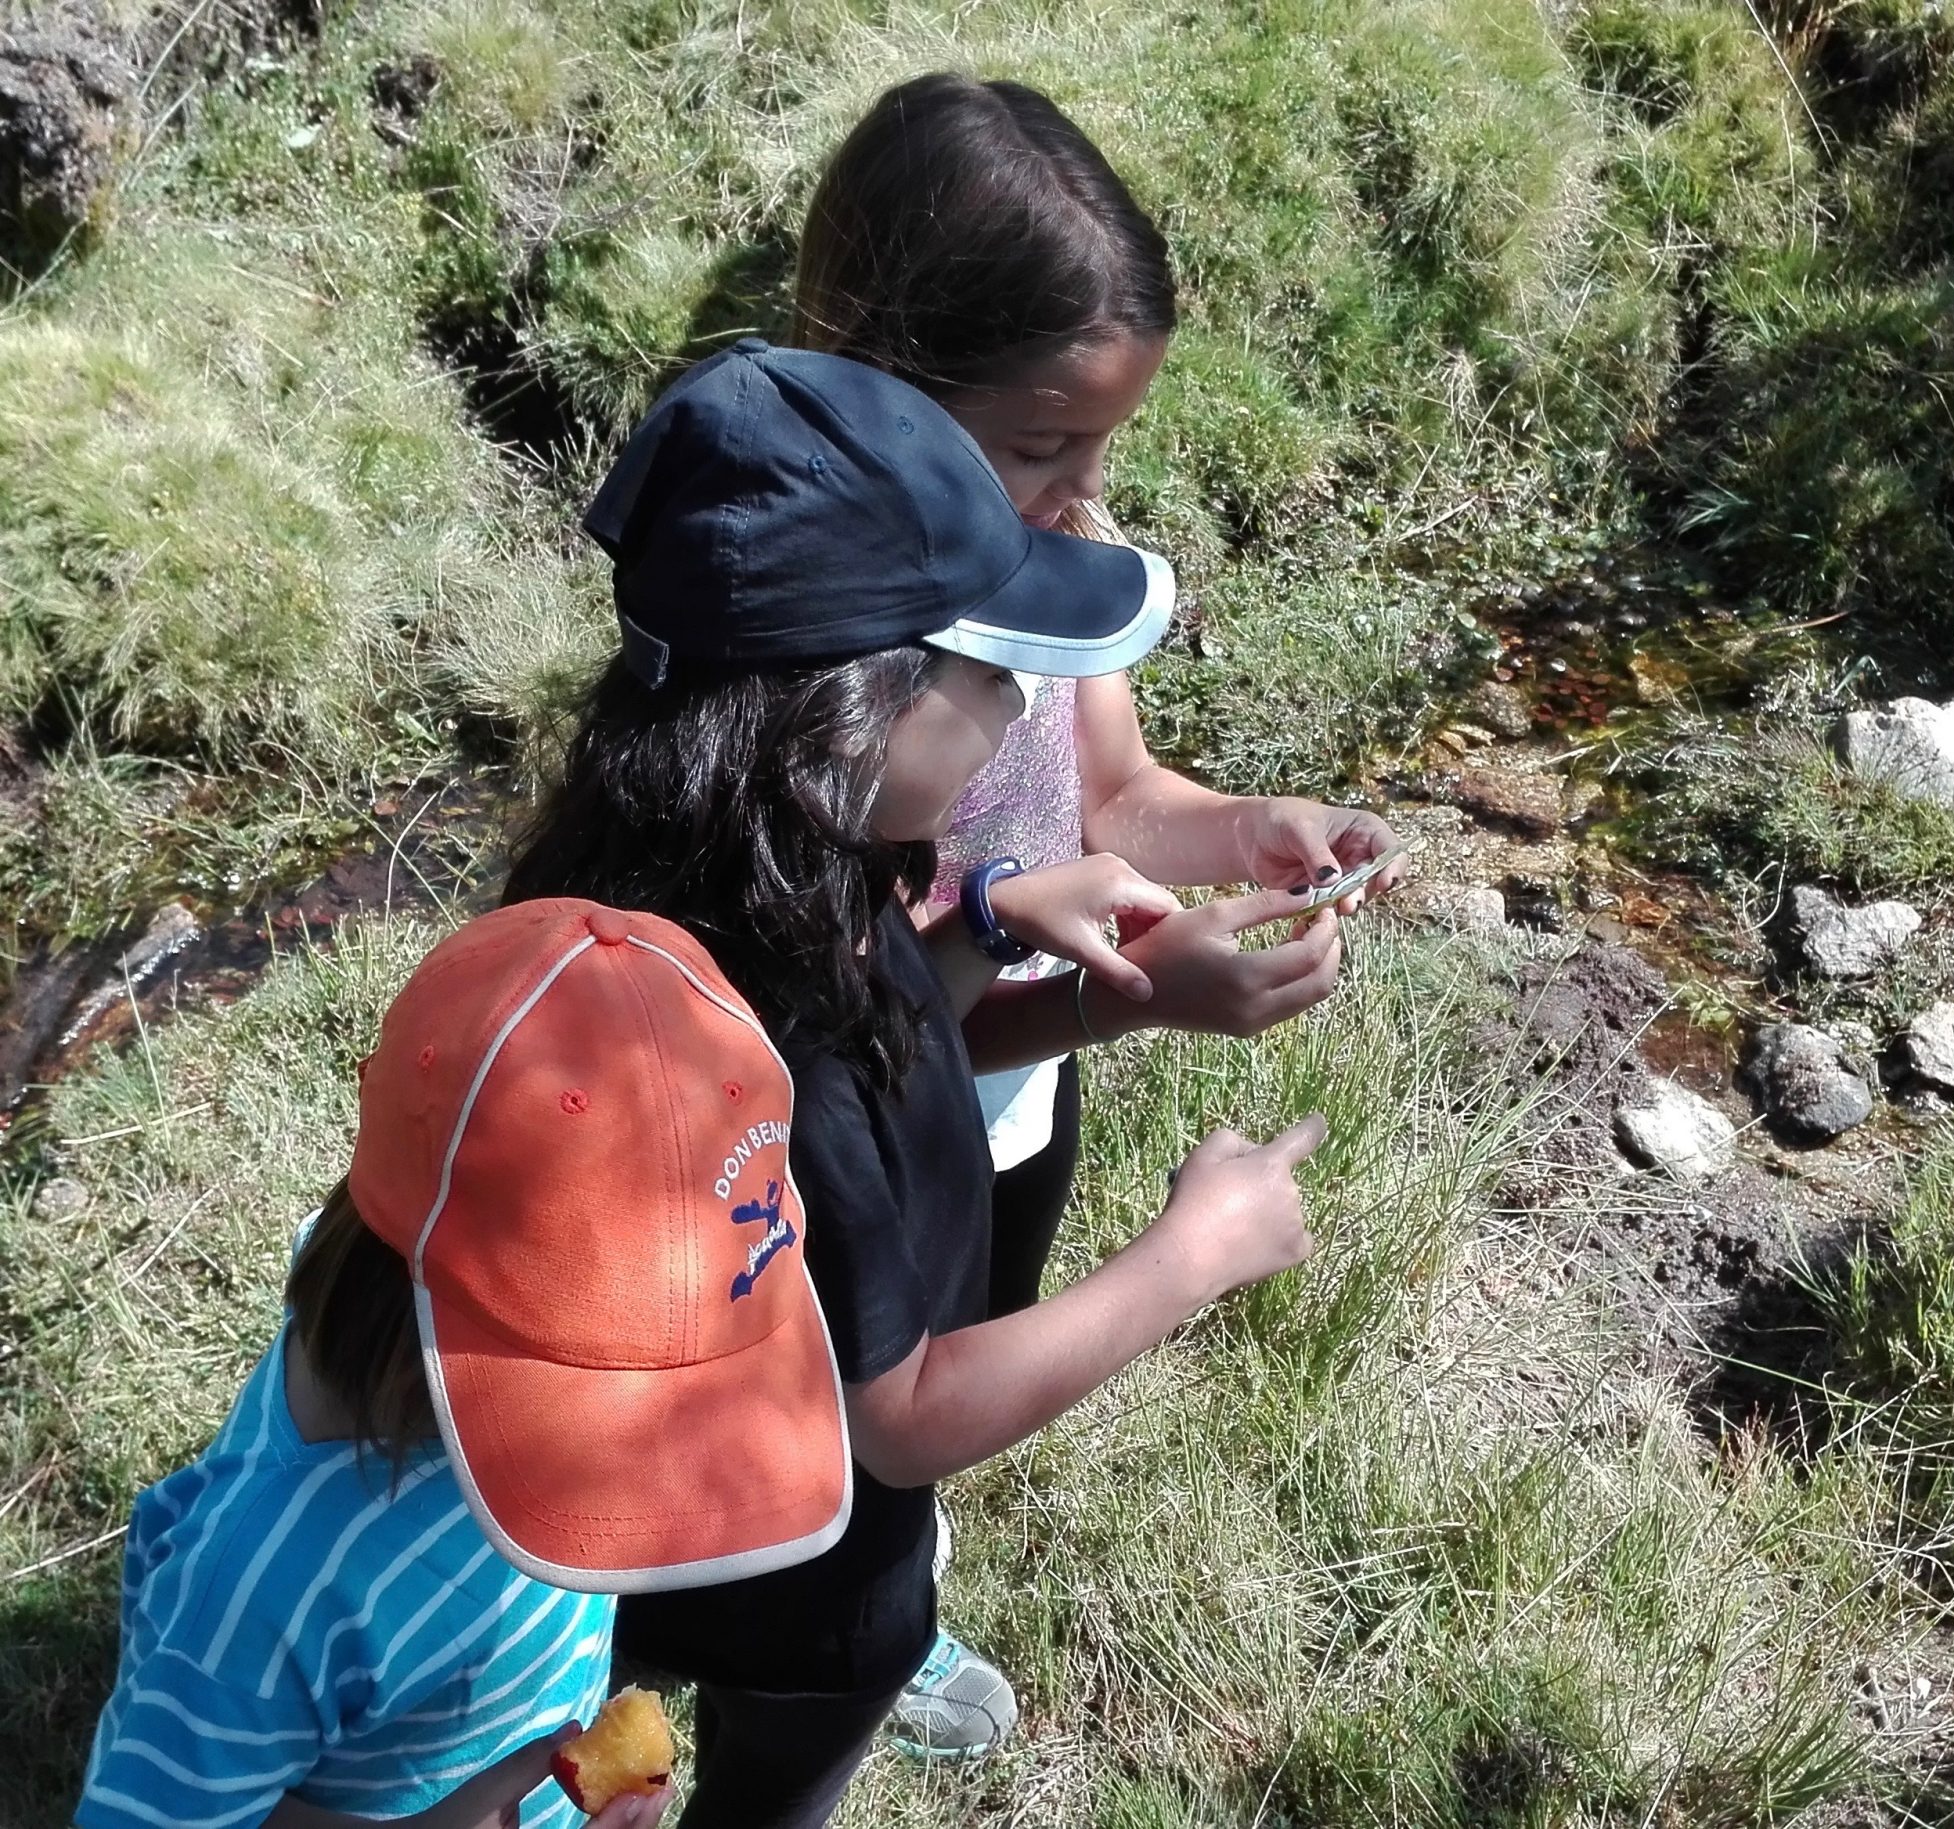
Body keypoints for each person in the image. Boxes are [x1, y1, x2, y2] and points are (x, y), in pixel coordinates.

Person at [504, 340, 1334, 1827]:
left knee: (597, 1724)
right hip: (805, 1568)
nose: (1018, 717)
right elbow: (904, 1411)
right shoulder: (769, 1023)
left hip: (634, 1514)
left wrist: (1039, 959)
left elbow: (903, 1046)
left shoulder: (731, 868)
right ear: (850, 705)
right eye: (979, 673)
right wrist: (1193, 1253)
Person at [789, 73, 1406, 1746]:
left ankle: (886, 1590)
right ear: (882, 382)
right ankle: (809, 1609)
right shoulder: (817, 659)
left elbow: (1114, 791)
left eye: (1106, 441)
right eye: (1042, 442)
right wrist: (1133, 988)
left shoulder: (1065, 560)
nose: (1078, 492)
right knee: (844, 1389)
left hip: (1010, 1090)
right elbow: (859, 1017)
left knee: (974, 1327)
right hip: (859, 1110)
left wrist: (1254, 829)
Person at [76, 895, 868, 1829]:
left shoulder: (422, 1287)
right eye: (613, 1415)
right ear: (434, 1324)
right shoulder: (261, 1599)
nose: (648, 1489)